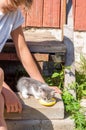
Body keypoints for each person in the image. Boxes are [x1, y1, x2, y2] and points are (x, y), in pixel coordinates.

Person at [0, 0, 61, 130]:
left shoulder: (13, 14)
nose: (15, 6)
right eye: (13, 1)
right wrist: (7, 91)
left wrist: (42, 85)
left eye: (19, 3)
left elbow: (22, 49)